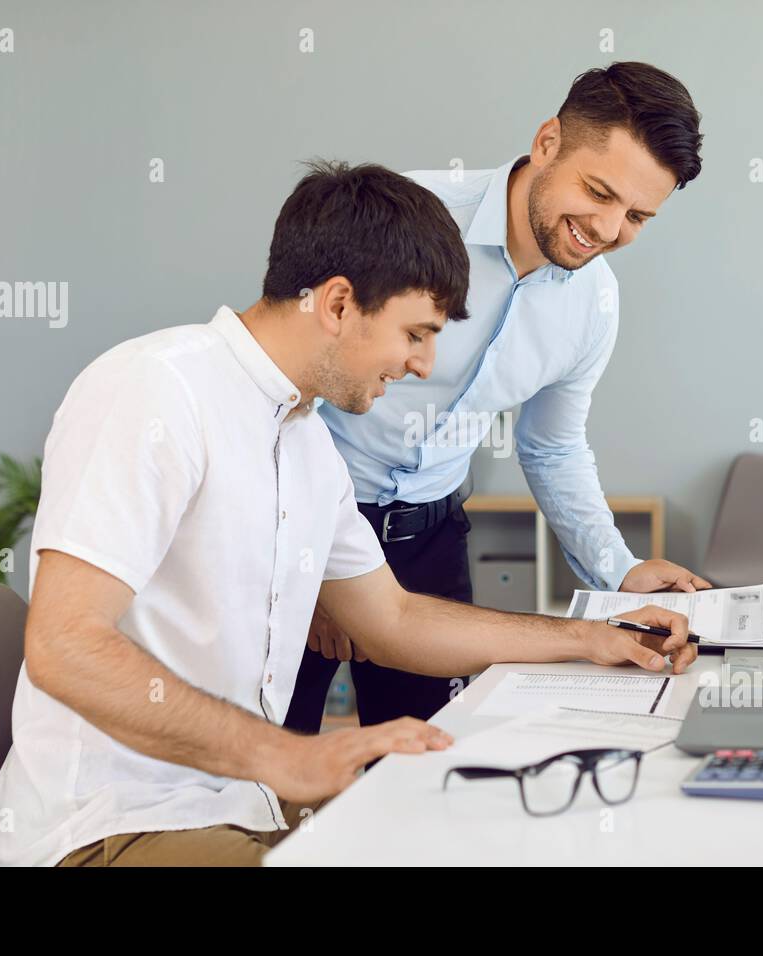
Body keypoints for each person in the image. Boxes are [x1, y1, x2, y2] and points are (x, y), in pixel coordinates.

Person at [0, 160, 696, 867]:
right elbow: (63, 644)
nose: (423, 365)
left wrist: (588, 636)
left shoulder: (303, 440)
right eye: (415, 334)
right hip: (115, 826)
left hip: (242, 806)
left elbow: (393, 618)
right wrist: (284, 755)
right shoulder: (156, 390)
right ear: (336, 304)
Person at [287, 62, 711, 735]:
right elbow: (290, 382)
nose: (606, 229)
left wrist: (620, 571)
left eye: (636, 216)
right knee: (271, 762)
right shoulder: (410, 219)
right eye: (598, 192)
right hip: (309, 524)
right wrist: (303, 557)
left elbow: (552, 444)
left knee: (429, 761)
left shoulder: (594, 303)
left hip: (430, 543)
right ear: (548, 142)